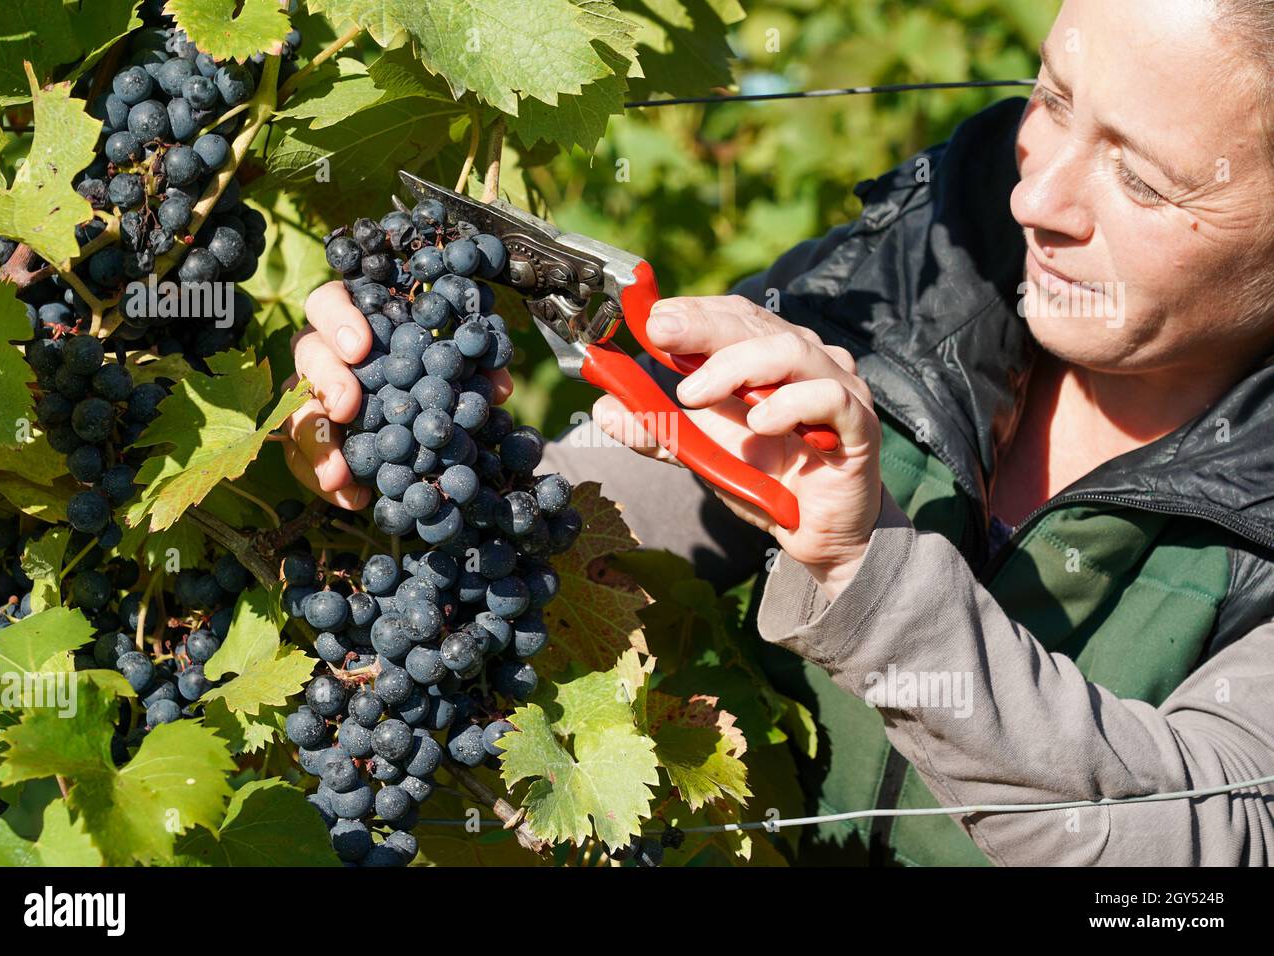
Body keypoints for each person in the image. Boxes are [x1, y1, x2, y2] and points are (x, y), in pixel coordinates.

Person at [285, 0, 1274, 866]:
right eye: (1051, 100)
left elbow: (1196, 838)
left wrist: (863, 570)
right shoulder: (917, 271)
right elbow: (596, 532)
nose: (1035, 199)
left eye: (1143, 182)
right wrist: (406, 456)